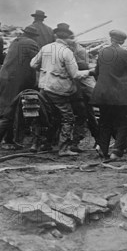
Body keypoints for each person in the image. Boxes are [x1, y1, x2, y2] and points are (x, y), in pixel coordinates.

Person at [30, 23, 89, 156]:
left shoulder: (46, 48)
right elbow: (75, 74)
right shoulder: (66, 52)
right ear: (68, 38)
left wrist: (47, 71)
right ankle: (63, 149)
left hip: (44, 88)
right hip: (59, 90)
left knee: (51, 117)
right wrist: (90, 72)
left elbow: (33, 64)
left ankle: (45, 144)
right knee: (68, 118)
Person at [0, 26, 40, 157]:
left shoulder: (16, 41)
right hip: (14, 82)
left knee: (9, 110)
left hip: (4, 78)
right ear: (35, 36)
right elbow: (35, 64)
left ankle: (8, 141)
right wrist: (34, 82)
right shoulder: (31, 43)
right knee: (8, 112)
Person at [90, 29, 127, 159]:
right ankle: (116, 151)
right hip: (120, 95)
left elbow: (97, 72)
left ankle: (103, 149)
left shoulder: (102, 52)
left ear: (111, 39)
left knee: (105, 122)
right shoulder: (124, 53)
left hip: (103, 93)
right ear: (122, 41)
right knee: (123, 123)